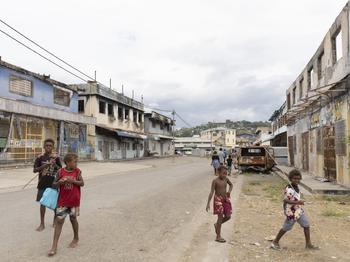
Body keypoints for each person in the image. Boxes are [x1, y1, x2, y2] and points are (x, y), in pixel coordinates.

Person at [271, 169, 319, 251]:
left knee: (306, 225)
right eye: (294, 178)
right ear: (290, 178)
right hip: (291, 211)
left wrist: (299, 202)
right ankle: (275, 242)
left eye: (298, 178)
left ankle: (308, 244)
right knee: (286, 227)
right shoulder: (289, 189)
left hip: (298, 210)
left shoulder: (296, 187)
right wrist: (296, 203)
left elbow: (295, 198)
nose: (296, 180)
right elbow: (285, 200)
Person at [48, 153, 84, 256]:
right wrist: (60, 182)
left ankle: (76, 237)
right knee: (59, 221)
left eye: (77, 161)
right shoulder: (60, 171)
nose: (76, 163)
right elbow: (53, 184)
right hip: (62, 201)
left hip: (74, 201)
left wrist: (73, 181)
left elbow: (82, 183)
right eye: (75, 161)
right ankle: (54, 247)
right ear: (68, 162)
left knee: (73, 219)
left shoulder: (77, 171)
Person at [33, 138, 62, 231]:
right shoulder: (40, 157)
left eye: (50, 145)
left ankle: (54, 221)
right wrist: (45, 165)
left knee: (54, 203)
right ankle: (42, 224)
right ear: (44, 146)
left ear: (53, 147)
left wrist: (55, 165)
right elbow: (35, 170)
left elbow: (61, 170)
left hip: (53, 183)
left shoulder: (56, 157)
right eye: (47, 145)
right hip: (42, 183)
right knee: (42, 203)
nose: (48, 147)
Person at [206, 165, 233, 243]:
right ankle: (218, 236)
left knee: (228, 216)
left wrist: (229, 192)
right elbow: (211, 192)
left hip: (225, 199)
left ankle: (217, 225)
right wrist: (208, 203)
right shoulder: (215, 181)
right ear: (218, 172)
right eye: (223, 173)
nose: (225, 175)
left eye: (226, 173)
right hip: (218, 200)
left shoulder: (226, 179)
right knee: (220, 217)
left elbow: (231, 185)